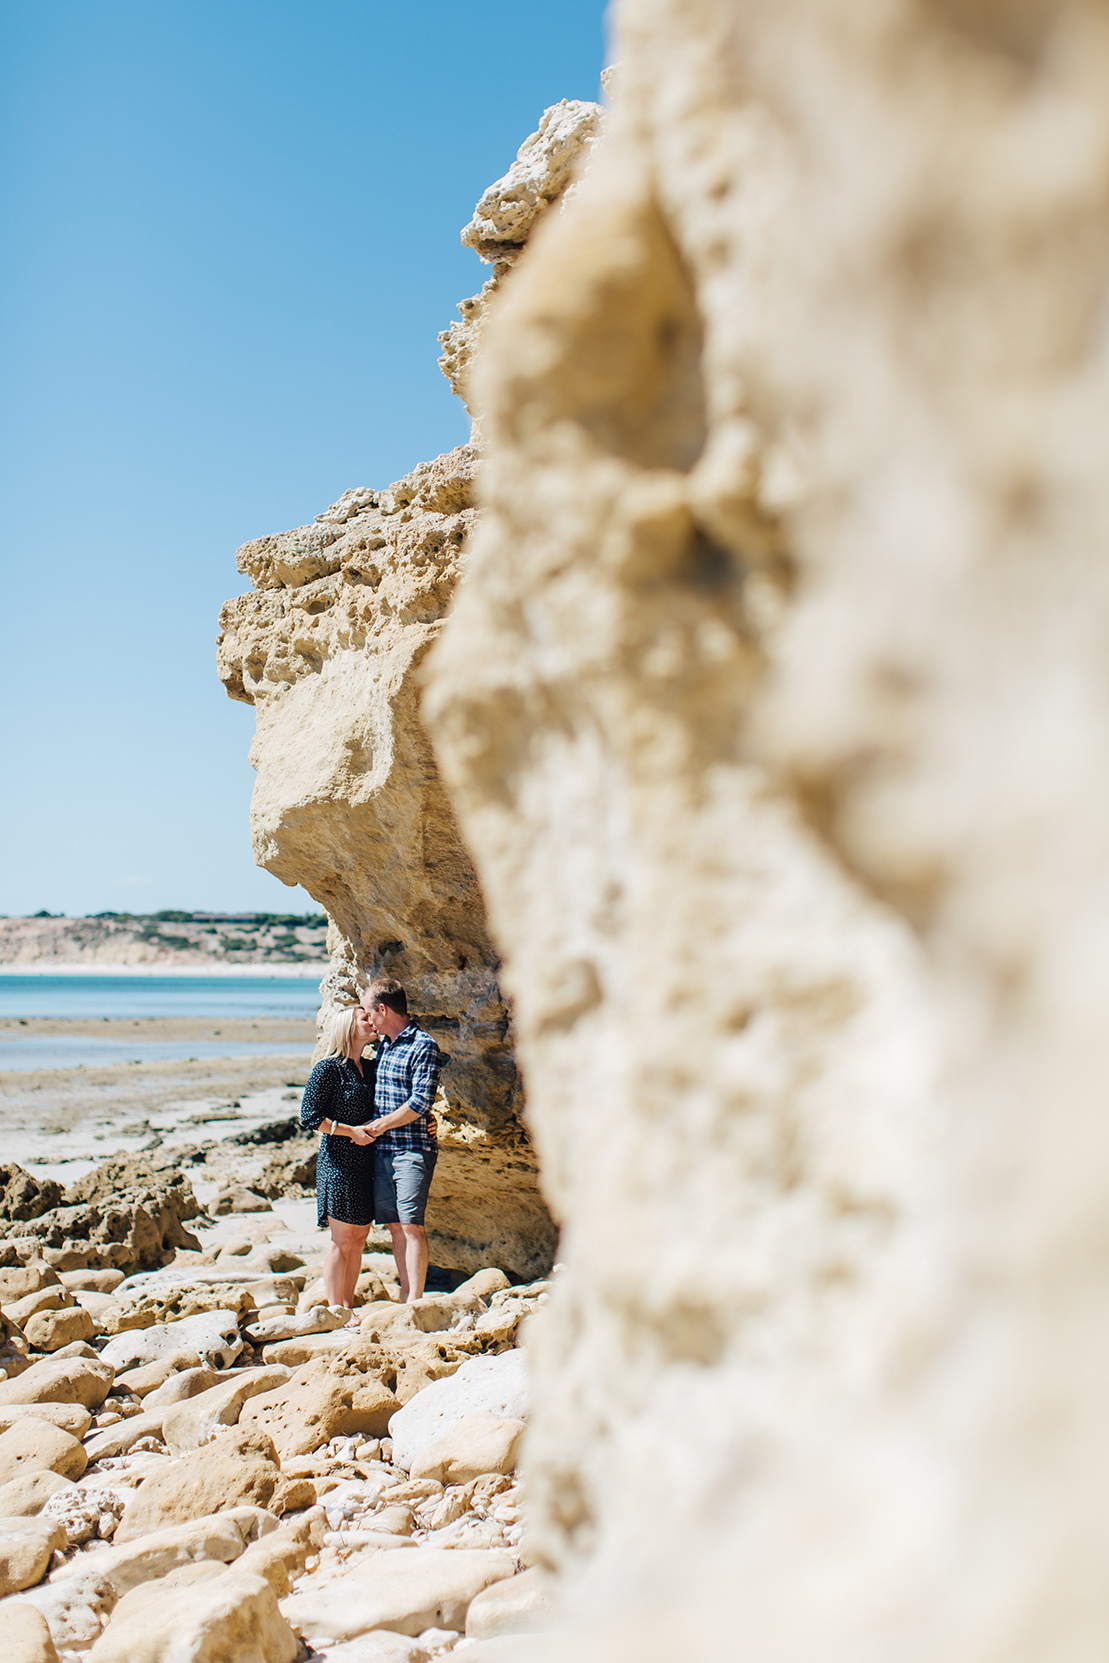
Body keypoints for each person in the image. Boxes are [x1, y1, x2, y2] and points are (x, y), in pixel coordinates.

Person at [359, 975, 443, 1303]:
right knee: (395, 1226)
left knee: (411, 1226)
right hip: (384, 1152)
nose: (367, 1019)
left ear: (383, 1009)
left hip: (412, 1149)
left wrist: (378, 1126)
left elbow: (420, 1102)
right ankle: (406, 1293)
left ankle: (415, 1301)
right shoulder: (384, 1046)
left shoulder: (424, 1045)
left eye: (369, 1013)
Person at [298, 1004, 377, 1323]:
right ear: (347, 1027)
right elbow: (309, 1116)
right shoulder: (328, 1069)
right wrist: (350, 1132)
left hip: (368, 1162)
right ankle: (335, 1308)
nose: (372, 1022)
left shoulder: (371, 1067)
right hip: (339, 1163)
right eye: (364, 1019)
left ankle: (348, 1305)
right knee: (342, 1240)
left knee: (359, 1239)